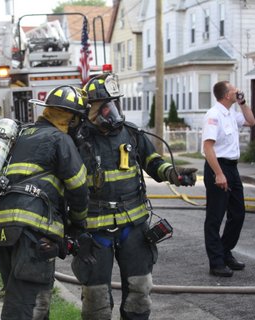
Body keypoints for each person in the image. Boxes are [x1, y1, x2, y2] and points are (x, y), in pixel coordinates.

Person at [75, 73, 197, 320]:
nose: (113, 111)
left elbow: (153, 162)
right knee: (95, 299)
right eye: (106, 105)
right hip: (95, 232)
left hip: (134, 227)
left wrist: (173, 173)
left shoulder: (131, 134)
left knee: (140, 290)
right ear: (91, 109)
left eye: (115, 104)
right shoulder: (76, 139)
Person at [0, 85, 90, 319]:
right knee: (28, 304)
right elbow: (78, 186)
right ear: (72, 119)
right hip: (32, 227)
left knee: (21, 295)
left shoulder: (22, 134)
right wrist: (78, 224)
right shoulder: (60, 139)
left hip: (0, 227)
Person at [202, 80, 255, 277]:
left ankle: (224, 252)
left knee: (238, 213)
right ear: (226, 95)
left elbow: (251, 121)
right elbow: (208, 147)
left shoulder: (232, 113)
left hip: (232, 168)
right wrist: (218, 173)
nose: (237, 91)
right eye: (234, 90)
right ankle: (216, 263)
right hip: (218, 167)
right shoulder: (214, 115)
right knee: (215, 217)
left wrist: (242, 103)